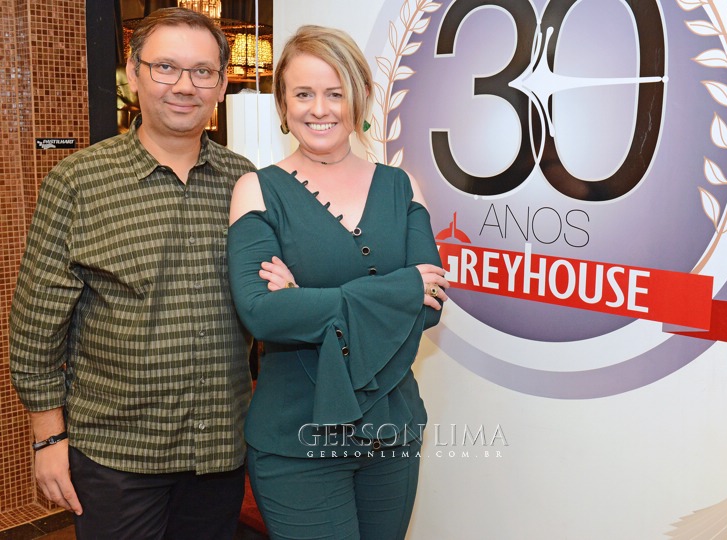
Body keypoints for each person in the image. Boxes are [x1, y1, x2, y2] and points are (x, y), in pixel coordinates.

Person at [9, 8, 256, 539]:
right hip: (116, 459)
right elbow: (35, 329)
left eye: (202, 71)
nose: (184, 86)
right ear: (134, 73)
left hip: (218, 452)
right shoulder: (78, 182)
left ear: (220, 85)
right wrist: (48, 439)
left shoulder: (245, 182)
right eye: (165, 67)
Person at [227, 25, 449, 540]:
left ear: (360, 97)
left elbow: (430, 304)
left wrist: (302, 300)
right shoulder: (256, 189)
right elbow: (261, 313)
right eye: (303, 94)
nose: (319, 109)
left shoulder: (401, 186)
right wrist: (398, 289)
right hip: (295, 441)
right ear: (283, 104)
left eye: (335, 93)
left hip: (391, 432)